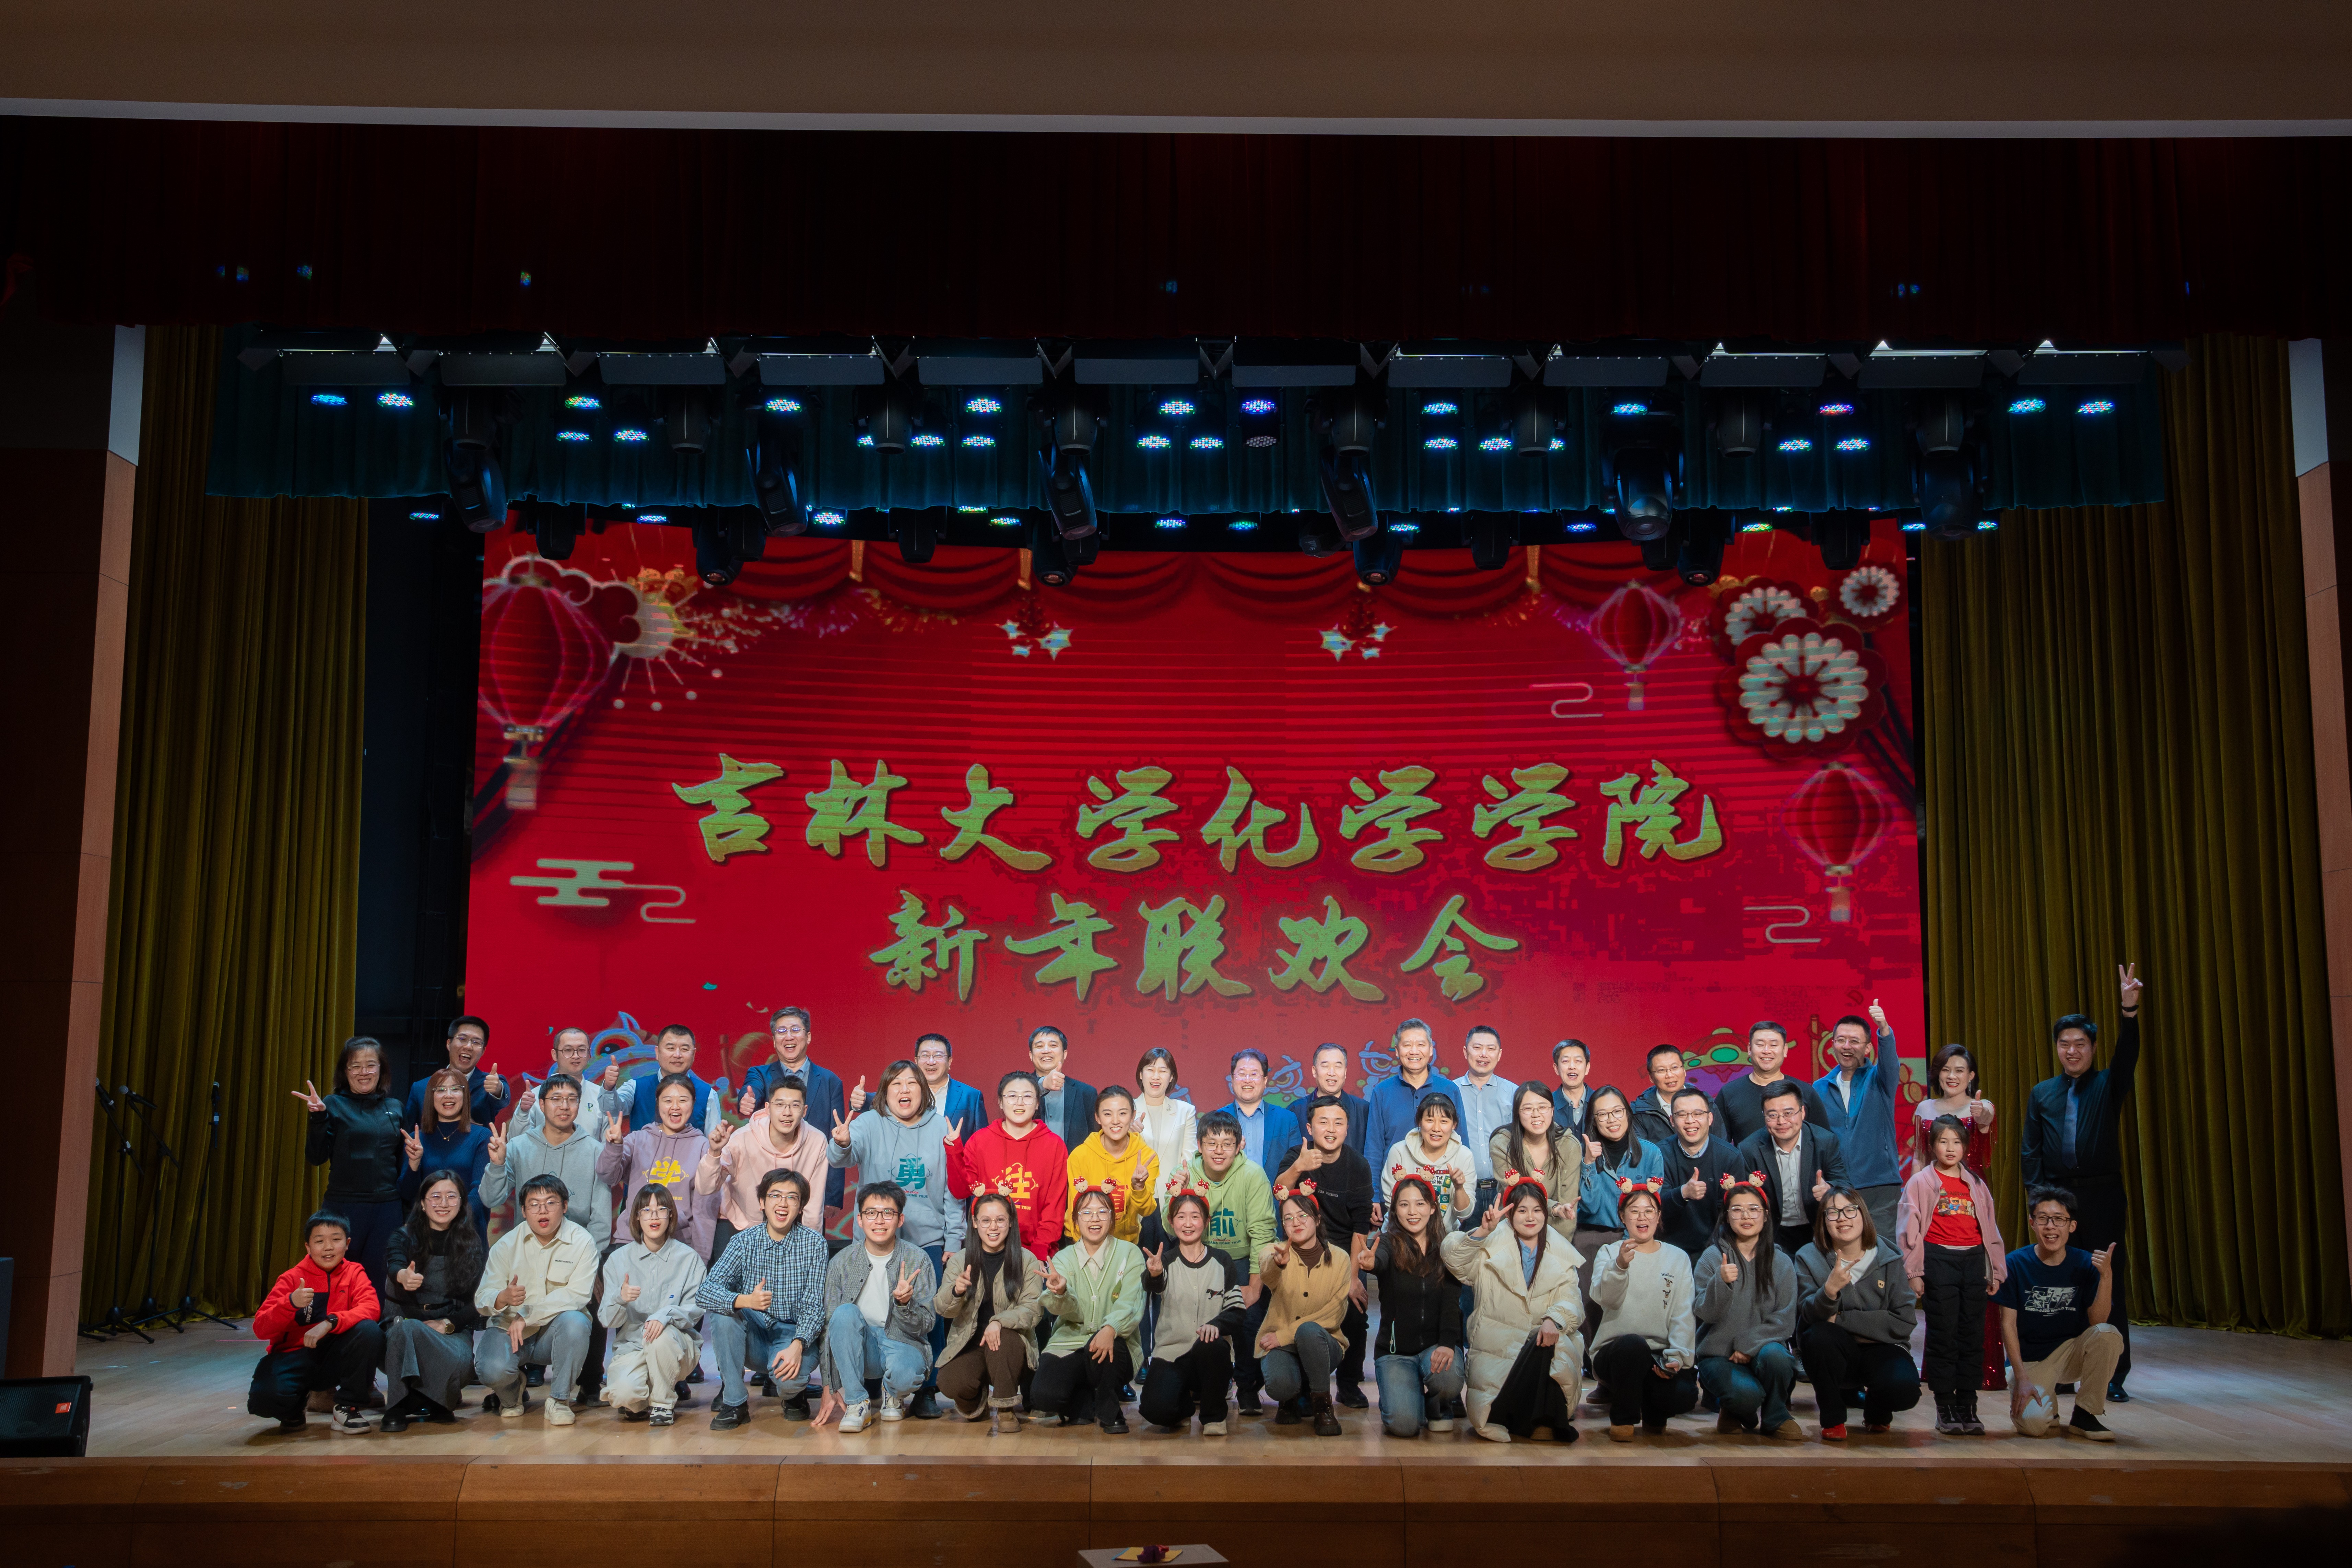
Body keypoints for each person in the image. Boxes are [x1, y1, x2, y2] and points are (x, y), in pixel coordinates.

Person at [2020, 963, 2144, 1402]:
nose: (2071, 1051)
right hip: (2056, 1198)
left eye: (2080, 1044)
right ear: (2056, 1047)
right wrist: (2040, 1203)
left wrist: (2129, 1012)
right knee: (2060, 1283)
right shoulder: (2042, 1093)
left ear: (2092, 1047)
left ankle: (2112, 1375)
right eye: (2064, 1043)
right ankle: (2063, 1368)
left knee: (2107, 1278)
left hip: (2102, 1195)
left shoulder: (2108, 1085)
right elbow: (2030, 1151)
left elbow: (2127, 1054)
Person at [830, 1060, 965, 1418]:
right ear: (885, 1092)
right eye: (896, 1084)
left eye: (912, 1083)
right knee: (867, 1309)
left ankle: (927, 1389)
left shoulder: (940, 1126)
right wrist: (841, 1142)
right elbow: (843, 1156)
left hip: (928, 1239)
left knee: (928, 1315)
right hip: (874, 1240)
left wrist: (954, 1239)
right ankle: (872, 1381)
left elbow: (954, 1190)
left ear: (924, 1090)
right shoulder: (869, 1122)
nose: (904, 1090)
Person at [1439, 1174, 1585, 1444]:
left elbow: (1572, 1300)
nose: (1530, 1217)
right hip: (1498, 1356)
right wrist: (1482, 1232)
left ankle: (1542, 1419)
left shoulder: (1560, 1252)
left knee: (1552, 1342)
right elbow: (1453, 1258)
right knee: (1534, 1352)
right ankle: (1531, 1419)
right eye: (1522, 1210)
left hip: (1541, 1348)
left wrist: (1554, 1319)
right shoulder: (1489, 1245)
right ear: (1509, 1214)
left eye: (1537, 1210)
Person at [1899, 1113, 2008, 1434]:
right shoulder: (1921, 1182)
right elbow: (1908, 1229)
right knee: (1944, 1335)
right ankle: (1945, 1405)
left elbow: (1991, 1230)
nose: (1950, 1148)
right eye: (1943, 1141)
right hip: (1938, 1260)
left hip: (1973, 1262)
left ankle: (1968, 1405)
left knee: (1972, 1336)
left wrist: (1996, 1270)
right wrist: (1914, 1271)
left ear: (1965, 1146)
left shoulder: (1976, 1184)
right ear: (1932, 1145)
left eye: (1957, 1142)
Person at [699, 1168, 829, 1429]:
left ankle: (794, 1395)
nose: (783, 1204)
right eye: (775, 1196)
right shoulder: (743, 1242)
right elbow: (705, 1292)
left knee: (789, 1382)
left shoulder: (815, 1244)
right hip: (754, 1334)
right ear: (762, 1202)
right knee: (724, 1316)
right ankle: (735, 1403)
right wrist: (745, 1301)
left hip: (792, 1334)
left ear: (801, 1206)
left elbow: (814, 1305)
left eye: (792, 1198)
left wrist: (799, 1344)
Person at [1912, 1042, 2006, 1389]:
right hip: (1934, 1202)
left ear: (1971, 1076)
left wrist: (1982, 1112)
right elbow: (1919, 1156)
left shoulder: (1981, 1106)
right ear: (1937, 1074)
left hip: (1972, 1202)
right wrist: (1914, 1198)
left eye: (1960, 1070)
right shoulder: (1924, 1108)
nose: (1952, 1076)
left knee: (1975, 1290)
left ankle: (1981, 1371)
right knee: (1941, 1297)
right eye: (1945, 1070)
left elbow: (1986, 1117)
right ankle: (1940, 1373)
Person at [1273, 1095, 1376, 1410]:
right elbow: (1279, 1191)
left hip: (1344, 1251)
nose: (1331, 1129)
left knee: (1356, 1309)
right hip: (1302, 1248)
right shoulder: (1297, 1155)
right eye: (1323, 1122)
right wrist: (1299, 1167)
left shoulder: (1358, 1165)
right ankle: (1304, 1385)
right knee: (1300, 1309)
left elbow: (1360, 1227)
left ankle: (1348, 1384)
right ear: (1310, 1127)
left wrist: (1352, 1278)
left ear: (1347, 1128)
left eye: (1338, 1123)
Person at [1996, 1186, 2123, 1441]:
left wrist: (2107, 1276)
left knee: (2108, 1334)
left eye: (2059, 1220)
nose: (2051, 1227)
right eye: (2043, 1218)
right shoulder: (2014, 1263)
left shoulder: (2085, 1263)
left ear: (2072, 1226)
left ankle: (2086, 1414)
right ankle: (2048, 1409)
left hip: (2071, 1352)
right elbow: (2008, 1325)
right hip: (2032, 1360)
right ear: (2032, 1223)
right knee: (2034, 1427)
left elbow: (2098, 1322)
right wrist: (2021, 1377)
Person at [1795, 1183, 1922, 1440]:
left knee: (1904, 1390)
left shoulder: (1889, 1257)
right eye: (1833, 1213)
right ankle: (1833, 1419)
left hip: (1884, 1349)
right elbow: (1807, 1319)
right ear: (1824, 1222)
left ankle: (1877, 1410)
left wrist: (1842, 1319)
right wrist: (1829, 1291)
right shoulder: (1809, 1257)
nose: (1842, 1218)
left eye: (1850, 1210)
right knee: (1818, 1337)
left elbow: (1903, 1320)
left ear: (1863, 1215)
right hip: (1836, 1352)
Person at [813, 1181, 938, 1433]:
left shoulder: (918, 1259)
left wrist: (905, 1304)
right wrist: (829, 1385)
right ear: (860, 1220)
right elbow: (829, 1326)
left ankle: (893, 1394)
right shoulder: (841, 1262)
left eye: (888, 1213)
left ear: (900, 1219)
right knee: (843, 1313)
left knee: (906, 1375)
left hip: (902, 1342)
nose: (879, 1221)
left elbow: (928, 1324)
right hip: (862, 1346)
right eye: (871, 1213)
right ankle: (857, 1403)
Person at [473, 1173, 598, 1425]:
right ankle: (512, 1395)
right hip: (509, 1329)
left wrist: (527, 1315)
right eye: (534, 1204)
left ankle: (559, 1400)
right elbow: (482, 1298)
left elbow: (578, 1294)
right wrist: (502, 1297)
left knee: (576, 1322)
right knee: (491, 1370)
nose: (543, 1210)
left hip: (554, 1333)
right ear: (523, 1210)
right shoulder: (506, 1245)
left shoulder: (583, 1241)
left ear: (565, 1206)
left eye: (551, 1203)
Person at [248, 1210, 386, 1434]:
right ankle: (295, 1405)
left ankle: (347, 1407)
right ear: (308, 1247)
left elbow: (371, 1309)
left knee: (369, 1330)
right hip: (294, 1357)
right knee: (264, 1400)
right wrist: (290, 1303)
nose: (328, 1247)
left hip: (334, 1356)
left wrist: (331, 1322)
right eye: (320, 1241)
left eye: (336, 1240)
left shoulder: (355, 1272)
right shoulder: (291, 1278)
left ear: (347, 1244)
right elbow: (261, 1328)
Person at [1586, 1181, 1698, 1441]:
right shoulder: (1610, 1252)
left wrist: (1676, 1357)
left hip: (1658, 1355)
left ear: (1659, 1216)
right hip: (1616, 1352)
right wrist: (1620, 1266)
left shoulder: (1678, 1258)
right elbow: (1607, 1300)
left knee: (1685, 1394)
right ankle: (1622, 1419)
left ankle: (1653, 1413)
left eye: (1649, 1211)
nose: (1642, 1217)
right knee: (1633, 1346)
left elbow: (1683, 1313)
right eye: (1634, 1211)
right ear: (1623, 1217)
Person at [1354, 1175, 1464, 1439]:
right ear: (1395, 1210)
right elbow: (1380, 1259)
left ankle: (1437, 1403)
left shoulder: (1448, 1246)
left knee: (1449, 1378)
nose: (1413, 1212)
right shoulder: (1388, 1242)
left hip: (1434, 1347)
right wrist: (1371, 1263)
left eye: (1420, 1204)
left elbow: (1452, 1302)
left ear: (1433, 1208)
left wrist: (1447, 1343)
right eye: (1404, 1205)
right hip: (1396, 1353)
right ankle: (1401, 1396)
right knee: (1404, 1426)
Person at [1035, 1184, 1149, 1433]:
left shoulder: (1130, 1253)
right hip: (1070, 1342)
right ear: (1076, 1220)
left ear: (1113, 1218)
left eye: (1102, 1212)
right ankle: (1083, 1401)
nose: (1094, 1219)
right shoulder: (1064, 1258)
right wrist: (1062, 1293)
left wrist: (1110, 1328)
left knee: (1106, 1348)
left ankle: (1111, 1411)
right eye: (1086, 1213)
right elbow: (1064, 1310)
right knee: (1044, 1396)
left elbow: (1132, 1303)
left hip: (1117, 1343)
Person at [1693, 1177, 1800, 1439]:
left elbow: (1785, 1320)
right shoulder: (1712, 1257)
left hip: (1764, 1349)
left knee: (1779, 1358)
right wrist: (1721, 1282)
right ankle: (1738, 1409)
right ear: (1727, 1215)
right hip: (1719, 1355)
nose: (1746, 1216)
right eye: (1737, 1209)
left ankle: (1776, 1416)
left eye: (1753, 1209)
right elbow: (1704, 1313)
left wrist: (1747, 1344)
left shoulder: (1782, 1262)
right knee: (1746, 1396)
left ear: (1766, 1215)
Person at [298, 1036, 407, 1294]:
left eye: (371, 1065)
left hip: (387, 1208)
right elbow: (316, 1157)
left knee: (380, 1280)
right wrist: (318, 1119)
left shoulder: (396, 1107)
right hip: (344, 1207)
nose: (364, 1072)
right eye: (355, 1066)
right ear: (345, 1072)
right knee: (339, 1280)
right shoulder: (332, 1104)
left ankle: (376, 1321)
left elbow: (402, 1162)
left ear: (381, 1069)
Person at [378, 1173, 483, 1431]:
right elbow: (395, 1263)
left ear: (462, 1203)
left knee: (459, 1360)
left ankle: (428, 1398)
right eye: (435, 1196)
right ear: (423, 1204)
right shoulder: (403, 1237)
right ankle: (398, 1407)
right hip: (401, 1332)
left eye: (451, 1197)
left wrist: (447, 1324)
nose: (443, 1203)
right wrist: (403, 1276)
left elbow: (478, 1302)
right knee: (407, 1329)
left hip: (449, 1334)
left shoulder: (471, 1243)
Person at [935, 1191, 1047, 1433]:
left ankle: (1006, 1409)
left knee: (1003, 1337)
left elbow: (1033, 1310)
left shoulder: (1027, 1260)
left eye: (1000, 1220)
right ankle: (978, 1402)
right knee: (949, 1381)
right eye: (986, 1220)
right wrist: (956, 1291)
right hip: (971, 1344)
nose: (993, 1227)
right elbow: (942, 1309)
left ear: (1011, 1222)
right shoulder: (960, 1261)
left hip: (1010, 1346)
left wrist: (999, 1321)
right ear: (975, 1223)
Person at [1187, 1111, 1277, 1414]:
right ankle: (1203, 1380)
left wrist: (1254, 1286)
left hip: (1242, 1258)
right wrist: (1176, 1194)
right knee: (1193, 1315)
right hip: (1200, 1256)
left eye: (1227, 1143)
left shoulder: (1253, 1175)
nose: (1219, 1150)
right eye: (1212, 1143)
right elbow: (1171, 1224)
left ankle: (1248, 1387)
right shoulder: (1186, 1172)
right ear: (1200, 1144)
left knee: (1249, 1318)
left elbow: (1262, 1234)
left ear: (1240, 1146)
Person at [1139, 1186, 1247, 1434]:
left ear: (1207, 1221)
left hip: (1210, 1356)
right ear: (1171, 1221)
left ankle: (1214, 1417)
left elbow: (1237, 1310)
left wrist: (1216, 1325)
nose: (1188, 1224)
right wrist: (1154, 1273)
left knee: (1214, 1345)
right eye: (1181, 1217)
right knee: (1155, 1410)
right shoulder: (1165, 1261)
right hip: (1171, 1354)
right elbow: (1153, 1284)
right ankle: (1183, 1407)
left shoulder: (1223, 1261)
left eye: (1195, 1216)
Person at [598, 1184, 708, 1426]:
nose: (654, 1216)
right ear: (637, 1217)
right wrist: (620, 1298)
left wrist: (665, 1315)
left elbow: (696, 1309)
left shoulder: (689, 1258)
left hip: (676, 1346)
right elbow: (607, 1320)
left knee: (660, 1333)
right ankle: (646, 1393)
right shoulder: (618, 1259)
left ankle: (663, 1403)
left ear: (671, 1215)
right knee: (624, 1395)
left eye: (661, 1209)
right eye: (647, 1211)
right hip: (633, 1347)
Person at [736, 1005, 852, 1219]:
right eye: (781, 1031)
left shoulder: (830, 1081)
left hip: (812, 1189)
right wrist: (747, 1099)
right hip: (768, 1189)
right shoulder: (760, 1074)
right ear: (774, 1041)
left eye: (796, 1030)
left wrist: (832, 1196)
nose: (789, 1037)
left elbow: (835, 1139)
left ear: (808, 1037)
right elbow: (752, 1090)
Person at [698, 1073, 828, 1262]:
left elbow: (814, 1206)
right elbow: (705, 1188)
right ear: (768, 1108)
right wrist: (714, 1153)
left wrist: (809, 1251)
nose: (787, 1113)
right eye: (780, 1105)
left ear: (804, 1111)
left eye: (795, 1106)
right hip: (739, 1222)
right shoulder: (741, 1139)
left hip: (787, 1226)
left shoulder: (817, 1142)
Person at [1255, 1186, 1354, 1436]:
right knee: (1280, 1386)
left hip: (1323, 1344)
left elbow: (1334, 1314)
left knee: (1309, 1331)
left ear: (1317, 1220)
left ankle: (1323, 1406)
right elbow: (1267, 1273)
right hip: (1281, 1348)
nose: (1295, 1222)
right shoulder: (1274, 1252)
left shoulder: (1341, 1259)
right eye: (1288, 1218)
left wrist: (1284, 1335)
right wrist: (1278, 1264)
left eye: (1302, 1216)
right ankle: (1289, 1398)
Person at [944, 1070, 1071, 1260]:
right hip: (987, 1249)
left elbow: (1054, 1208)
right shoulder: (980, 1141)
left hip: (1036, 1252)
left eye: (1027, 1096)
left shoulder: (1054, 1145)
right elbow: (961, 1191)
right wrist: (954, 1151)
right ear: (1000, 1102)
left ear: (1038, 1103)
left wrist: (1040, 1252)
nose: (1020, 1103)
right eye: (1012, 1096)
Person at [596, 1072, 719, 1258]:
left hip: (678, 1246)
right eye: (668, 1101)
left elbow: (704, 1210)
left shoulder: (704, 1148)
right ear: (658, 1103)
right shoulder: (637, 1139)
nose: (675, 1107)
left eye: (683, 1100)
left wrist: (701, 1258)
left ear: (693, 1103)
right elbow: (607, 1176)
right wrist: (614, 1147)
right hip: (631, 1241)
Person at [1573, 1086, 1663, 1335]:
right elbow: (1590, 1206)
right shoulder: (1581, 1153)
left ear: (1628, 1113)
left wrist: (1632, 1239)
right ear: (1594, 1120)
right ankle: (1593, 1357)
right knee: (1591, 1307)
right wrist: (1589, 1163)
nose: (1612, 1120)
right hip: (1591, 1238)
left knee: (1631, 1309)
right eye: (1603, 1115)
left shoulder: (1651, 1153)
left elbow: (1655, 1208)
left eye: (1617, 1112)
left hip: (1636, 1238)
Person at [482, 1073, 611, 1243]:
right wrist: (497, 1165)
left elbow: (601, 1221)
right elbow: (491, 1199)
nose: (565, 1106)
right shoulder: (519, 1147)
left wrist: (589, 1255)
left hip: (578, 1250)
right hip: (527, 1247)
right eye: (556, 1099)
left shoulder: (596, 1152)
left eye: (572, 1100)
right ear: (542, 1105)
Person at [1815, 999, 1903, 1242]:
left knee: (1882, 1249)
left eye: (1855, 1041)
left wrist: (1884, 1029)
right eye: (1841, 1040)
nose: (1847, 1046)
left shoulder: (1880, 1079)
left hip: (1880, 1185)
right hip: (1838, 1186)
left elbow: (1891, 1062)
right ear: (1833, 1045)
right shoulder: (1819, 1088)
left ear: (1867, 1048)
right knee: (1843, 1250)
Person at [1737, 1079, 1850, 1256]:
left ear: (1802, 1112)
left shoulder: (1825, 1142)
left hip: (1819, 1227)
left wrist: (1830, 1189)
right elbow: (1743, 1198)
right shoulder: (1749, 1149)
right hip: (1774, 1231)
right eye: (1773, 1115)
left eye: (1789, 1113)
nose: (1782, 1122)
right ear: (1764, 1116)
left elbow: (1845, 1185)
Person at [399, 1068, 493, 1241]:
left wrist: (451, 1221)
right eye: (441, 1090)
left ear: (465, 1096)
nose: (448, 1095)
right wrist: (414, 1164)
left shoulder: (482, 1136)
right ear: (431, 1097)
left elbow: (480, 1190)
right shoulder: (417, 1139)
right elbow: (408, 1195)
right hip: (426, 1234)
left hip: (467, 1232)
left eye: (455, 1089)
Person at [1065, 1085, 1161, 1246]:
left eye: (1123, 1114)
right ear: (1098, 1118)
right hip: (1082, 1242)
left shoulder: (1146, 1157)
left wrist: (1139, 1188)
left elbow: (1147, 1210)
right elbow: (1076, 1210)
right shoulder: (1080, 1156)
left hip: (1126, 1244)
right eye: (1108, 1114)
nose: (1116, 1121)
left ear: (1133, 1116)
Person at [1714, 1021, 1830, 1146]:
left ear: (1785, 1050)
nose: (1767, 1051)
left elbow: (1824, 1142)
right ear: (1750, 1049)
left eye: (1774, 1045)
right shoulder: (1729, 1093)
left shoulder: (1804, 1092)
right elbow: (1718, 1146)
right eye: (1760, 1045)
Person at [1659, 1087, 1743, 1258]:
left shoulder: (1730, 1157)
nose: (1690, 1121)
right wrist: (1683, 1193)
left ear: (1710, 1118)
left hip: (1718, 1250)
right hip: (1668, 1250)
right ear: (1672, 1121)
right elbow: (1656, 1208)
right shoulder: (1659, 1154)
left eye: (1698, 1114)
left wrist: (1716, 1253)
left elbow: (1733, 1212)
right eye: (1682, 1115)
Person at [1487, 1082, 1580, 1231]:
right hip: (1511, 1230)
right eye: (1528, 1109)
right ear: (1517, 1113)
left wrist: (1557, 1245)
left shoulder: (1569, 1146)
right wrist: (1554, 1208)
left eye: (1543, 1108)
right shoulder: (1501, 1144)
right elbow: (1518, 1195)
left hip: (1554, 1232)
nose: (1536, 1114)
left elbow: (1568, 1208)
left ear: (1552, 1111)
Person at [1367, 1018, 1465, 1160]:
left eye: (1421, 1045)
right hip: (1394, 1173)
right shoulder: (1382, 1091)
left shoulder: (1450, 1089)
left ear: (1431, 1050)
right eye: (1407, 1045)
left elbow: (1462, 1143)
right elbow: (1374, 1147)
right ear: (1397, 1051)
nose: (1414, 1051)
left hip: (1441, 1173)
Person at [1379, 1090, 1479, 1224]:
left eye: (1444, 1121)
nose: (1436, 1128)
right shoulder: (1399, 1151)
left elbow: (1464, 1213)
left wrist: (1459, 1188)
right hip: (1402, 1232)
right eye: (1430, 1120)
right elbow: (1391, 1204)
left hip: (1445, 1234)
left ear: (1454, 1125)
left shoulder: (1464, 1155)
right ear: (1420, 1122)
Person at [509, 1026, 624, 1139]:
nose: (576, 1056)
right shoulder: (535, 1097)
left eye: (582, 1050)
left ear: (589, 1054)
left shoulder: (602, 1097)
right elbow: (516, 1143)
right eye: (568, 1050)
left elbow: (609, 1146)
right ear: (555, 1055)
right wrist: (523, 1113)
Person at [402, 1014, 508, 1130]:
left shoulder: (489, 1084)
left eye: (476, 1042)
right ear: (449, 1044)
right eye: (462, 1039)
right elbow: (410, 1133)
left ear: (483, 1051)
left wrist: (498, 1089)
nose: (469, 1047)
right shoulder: (420, 1088)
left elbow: (502, 1100)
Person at [1454, 1025, 1516, 1215]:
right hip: (1464, 1189)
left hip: (1506, 1188)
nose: (1484, 1055)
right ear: (1466, 1052)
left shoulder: (1514, 1093)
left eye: (1491, 1049)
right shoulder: (1450, 1092)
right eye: (1477, 1048)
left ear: (1499, 1054)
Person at [620, 1022, 723, 1135]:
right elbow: (611, 1109)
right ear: (657, 1053)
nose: (678, 1055)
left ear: (694, 1054)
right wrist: (609, 1087)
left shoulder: (708, 1094)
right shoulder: (635, 1088)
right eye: (671, 1048)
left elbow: (714, 1141)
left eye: (684, 1049)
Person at [1216, 1049, 1300, 1180]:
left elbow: (1297, 1164)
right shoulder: (1216, 1120)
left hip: (1274, 1193)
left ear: (1265, 1081)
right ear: (1232, 1080)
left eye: (1254, 1075)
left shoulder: (1287, 1119)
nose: (1247, 1080)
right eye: (1242, 1074)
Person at [1133, 1048, 1199, 1198]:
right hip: (1137, 1194)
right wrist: (1129, 1133)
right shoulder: (1127, 1111)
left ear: (1171, 1077)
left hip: (1171, 1194)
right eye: (1150, 1070)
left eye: (1163, 1071)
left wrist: (1181, 1182)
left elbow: (1189, 1160)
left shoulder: (1185, 1111)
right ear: (1141, 1074)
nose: (1156, 1076)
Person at [1029, 1026, 1099, 1149]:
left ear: (1065, 1054)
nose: (1046, 1051)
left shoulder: (1086, 1093)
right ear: (1031, 1055)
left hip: (1073, 1161)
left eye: (1053, 1045)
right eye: (1040, 1046)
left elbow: (1096, 1139)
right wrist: (1042, 1085)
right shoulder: (1017, 1089)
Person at [1628, 1043, 1703, 1152]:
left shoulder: (1706, 1103)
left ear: (1684, 1070)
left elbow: (1719, 1145)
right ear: (1651, 1077)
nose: (1670, 1075)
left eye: (1675, 1068)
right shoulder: (1639, 1112)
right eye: (1662, 1070)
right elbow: (1642, 1154)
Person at [910, 1031, 988, 1134]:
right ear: (916, 1061)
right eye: (925, 1056)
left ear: (949, 1062)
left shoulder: (971, 1096)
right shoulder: (906, 1094)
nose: (931, 1062)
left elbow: (982, 1139)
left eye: (938, 1056)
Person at [1305, 1042, 1372, 1152]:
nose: (1332, 1073)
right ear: (1314, 1071)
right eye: (1325, 1066)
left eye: (1338, 1067)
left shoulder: (1365, 1111)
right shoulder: (1295, 1111)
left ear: (1345, 1072)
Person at [1548, 1038, 1596, 1141]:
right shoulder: (1547, 1105)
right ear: (1557, 1069)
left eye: (1578, 1061)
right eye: (1566, 1061)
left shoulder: (1600, 1102)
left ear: (1587, 1068)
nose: (1572, 1067)